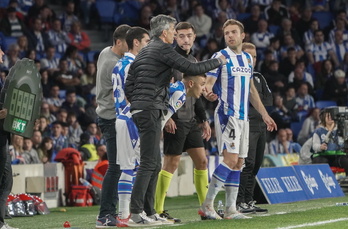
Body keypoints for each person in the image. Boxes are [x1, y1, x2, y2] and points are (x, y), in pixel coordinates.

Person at [124, 14, 226, 226]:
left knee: (153, 163)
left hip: (143, 108)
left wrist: (137, 103)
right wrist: (219, 61)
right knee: (149, 163)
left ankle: (150, 212)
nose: (174, 34)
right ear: (164, 33)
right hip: (150, 108)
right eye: (173, 31)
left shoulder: (144, 51)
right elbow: (193, 69)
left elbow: (129, 82)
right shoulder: (162, 49)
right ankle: (136, 213)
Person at [199, 19, 277, 220]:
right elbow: (208, 82)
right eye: (227, 33)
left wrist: (264, 114)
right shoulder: (220, 56)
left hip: (244, 117)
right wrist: (207, 92)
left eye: (234, 32)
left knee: (240, 163)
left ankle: (231, 209)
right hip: (227, 114)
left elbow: (251, 90)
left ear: (243, 36)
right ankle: (207, 205)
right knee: (231, 159)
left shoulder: (247, 60)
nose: (230, 36)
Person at [154, 22, 211, 222]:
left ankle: (206, 209)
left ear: (194, 37)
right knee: (172, 163)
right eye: (181, 36)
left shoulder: (194, 60)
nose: (185, 39)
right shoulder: (169, 60)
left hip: (191, 119)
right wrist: (166, 116)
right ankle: (158, 209)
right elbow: (160, 89)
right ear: (175, 37)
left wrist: (203, 119)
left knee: (202, 161)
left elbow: (195, 94)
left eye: (189, 36)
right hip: (175, 119)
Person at [112, 26, 151, 225]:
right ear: (136, 42)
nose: (148, 46)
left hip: (122, 118)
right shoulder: (132, 65)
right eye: (146, 42)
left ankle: (127, 214)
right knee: (130, 168)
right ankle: (125, 215)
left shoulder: (121, 63)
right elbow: (132, 93)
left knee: (131, 167)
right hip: (130, 119)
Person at [95, 24, 131, 228]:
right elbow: (115, 93)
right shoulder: (115, 63)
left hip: (107, 115)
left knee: (119, 166)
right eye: (129, 42)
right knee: (116, 166)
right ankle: (105, 214)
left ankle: (112, 211)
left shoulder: (105, 52)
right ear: (118, 42)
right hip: (112, 118)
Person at [236, 42, 272, 214]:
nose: (252, 60)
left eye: (255, 56)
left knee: (256, 164)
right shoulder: (238, 76)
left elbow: (268, 99)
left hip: (260, 125)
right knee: (246, 163)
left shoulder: (258, 77)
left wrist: (258, 106)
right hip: (246, 123)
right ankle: (239, 200)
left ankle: (249, 200)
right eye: (249, 56)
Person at [0, 46, 19, 229]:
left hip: (3, 136)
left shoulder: (1, 78)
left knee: (6, 180)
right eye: (0, 50)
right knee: (3, 180)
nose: (3, 54)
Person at [311, 109, 348, 173]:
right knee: (322, 162)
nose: (330, 117)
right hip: (322, 156)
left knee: (345, 161)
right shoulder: (318, 131)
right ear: (323, 118)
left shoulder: (341, 130)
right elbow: (314, 145)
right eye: (328, 116)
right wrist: (320, 147)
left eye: (332, 116)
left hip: (336, 156)